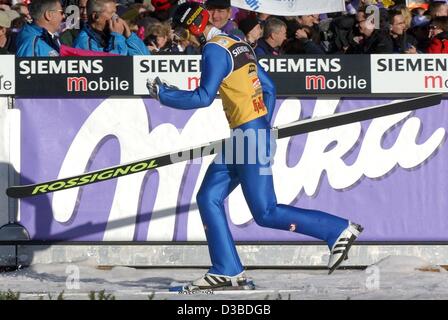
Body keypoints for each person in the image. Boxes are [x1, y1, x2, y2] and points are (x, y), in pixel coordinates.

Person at [147, 2, 364, 292]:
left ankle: (337, 229)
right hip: (248, 134)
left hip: (248, 137)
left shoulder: (213, 51)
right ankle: (227, 269)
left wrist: (163, 95)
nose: (178, 35)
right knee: (208, 196)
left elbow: (202, 97)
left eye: (180, 29)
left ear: (193, 27)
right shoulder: (236, 42)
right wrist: (264, 127)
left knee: (266, 212)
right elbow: (270, 88)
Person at [73, 0, 149, 55]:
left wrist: (129, 36)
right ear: (95, 16)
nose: (115, 17)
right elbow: (112, 67)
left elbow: (143, 59)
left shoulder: (112, 35)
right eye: (111, 13)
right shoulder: (85, 42)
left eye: (115, 13)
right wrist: (117, 37)